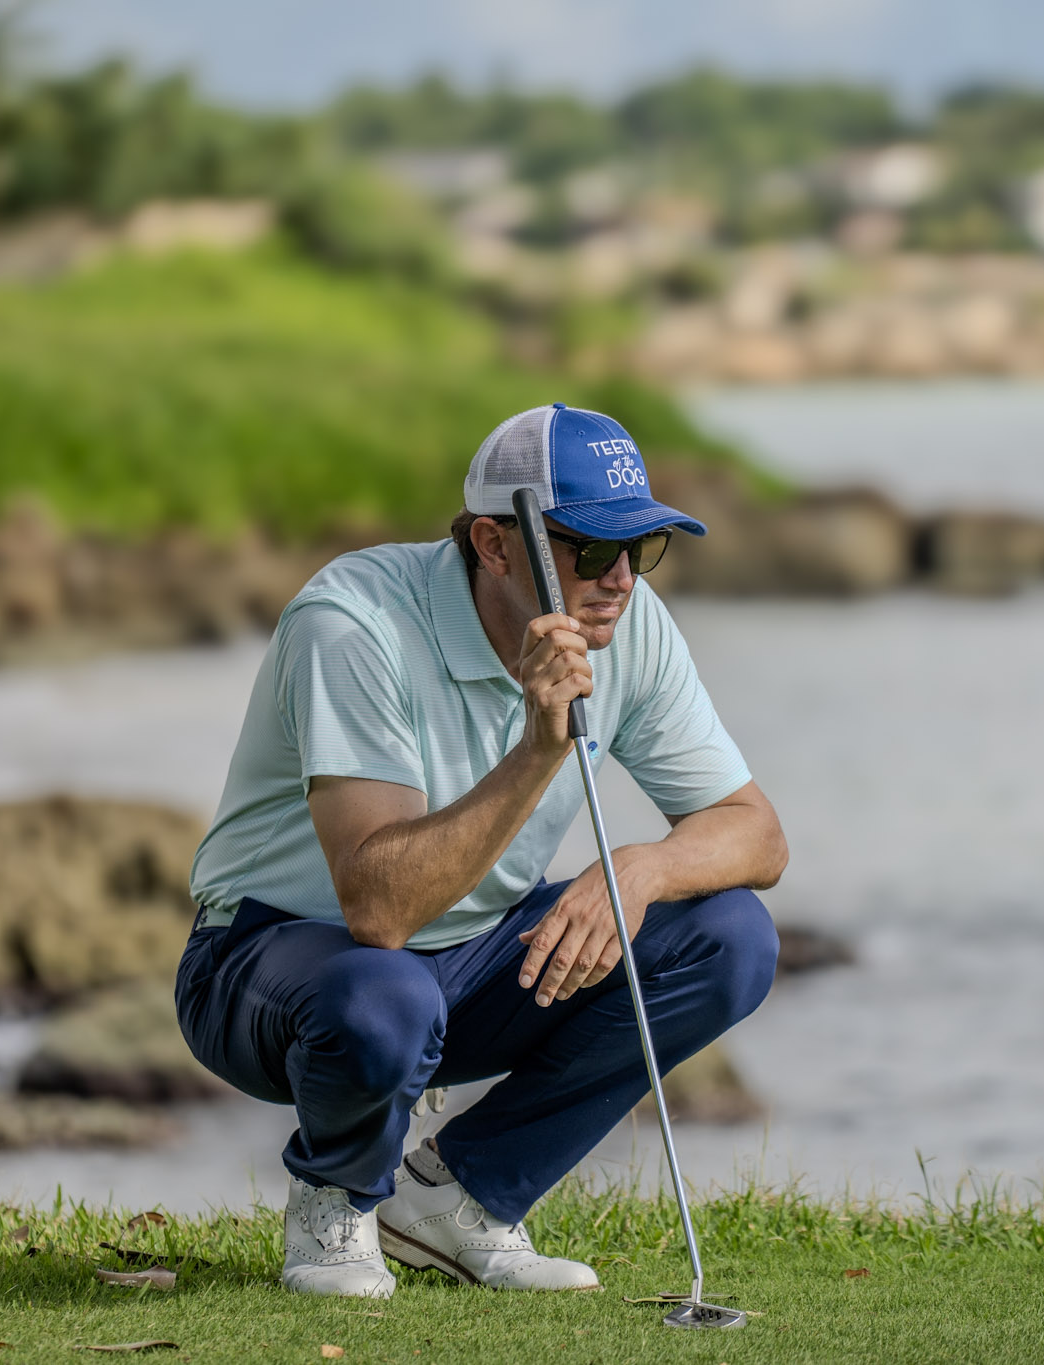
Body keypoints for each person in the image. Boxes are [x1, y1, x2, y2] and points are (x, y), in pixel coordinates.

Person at [177, 403, 788, 1298]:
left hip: (465, 955)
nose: (618, 579)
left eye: (640, 548)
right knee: (385, 993)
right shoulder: (353, 622)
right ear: (498, 546)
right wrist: (540, 747)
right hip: (272, 961)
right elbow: (377, 909)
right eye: (588, 550)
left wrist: (638, 867)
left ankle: (458, 1198)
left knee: (731, 935)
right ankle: (337, 1201)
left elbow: (755, 831)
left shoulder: (629, 623)